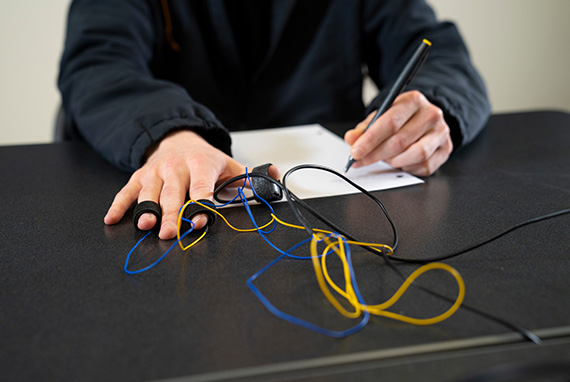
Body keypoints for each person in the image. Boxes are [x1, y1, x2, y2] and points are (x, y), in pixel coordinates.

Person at [58, 0, 490, 240]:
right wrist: (169, 133)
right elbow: (98, 62)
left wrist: (431, 107)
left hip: (325, 220)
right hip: (182, 202)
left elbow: (440, 52)